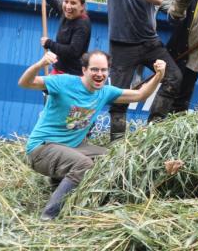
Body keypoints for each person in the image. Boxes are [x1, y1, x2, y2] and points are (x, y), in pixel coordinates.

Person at [19, 50, 166, 220]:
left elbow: (140, 95)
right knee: (84, 164)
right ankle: (49, 216)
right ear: (84, 70)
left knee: (113, 157)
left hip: (72, 147)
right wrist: (40, 64)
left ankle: (59, 181)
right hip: (41, 149)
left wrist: (159, 75)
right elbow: (25, 83)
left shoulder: (105, 92)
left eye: (104, 70)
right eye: (94, 70)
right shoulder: (63, 82)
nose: (99, 74)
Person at [89, 0, 182, 139]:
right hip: (121, 46)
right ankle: (117, 144)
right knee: (119, 97)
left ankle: (154, 127)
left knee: (174, 77)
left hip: (149, 43)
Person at [38, 0, 91, 76]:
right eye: (66, 1)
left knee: (48, 91)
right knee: (46, 91)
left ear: (82, 6)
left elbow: (73, 51)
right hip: (59, 69)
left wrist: (49, 44)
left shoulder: (83, 24)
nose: (68, 6)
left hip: (72, 74)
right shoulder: (65, 11)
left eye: (73, 3)